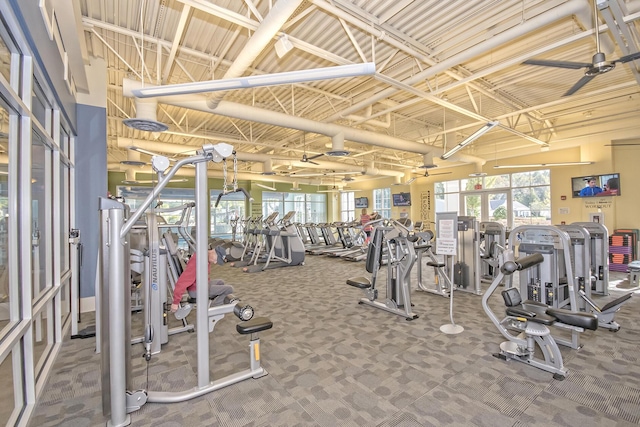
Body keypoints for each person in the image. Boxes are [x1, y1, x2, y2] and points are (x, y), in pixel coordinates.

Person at [170, 246, 234, 313]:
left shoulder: (205, 257)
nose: (215, 262)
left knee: (221, 282)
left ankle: (212, 302)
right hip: (196, 290)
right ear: (213, 252)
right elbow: (183, 281)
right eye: (216, 260)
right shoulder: (198, 261)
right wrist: (175, 302)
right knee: (229, 289)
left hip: (201, 284)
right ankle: (213, 309)